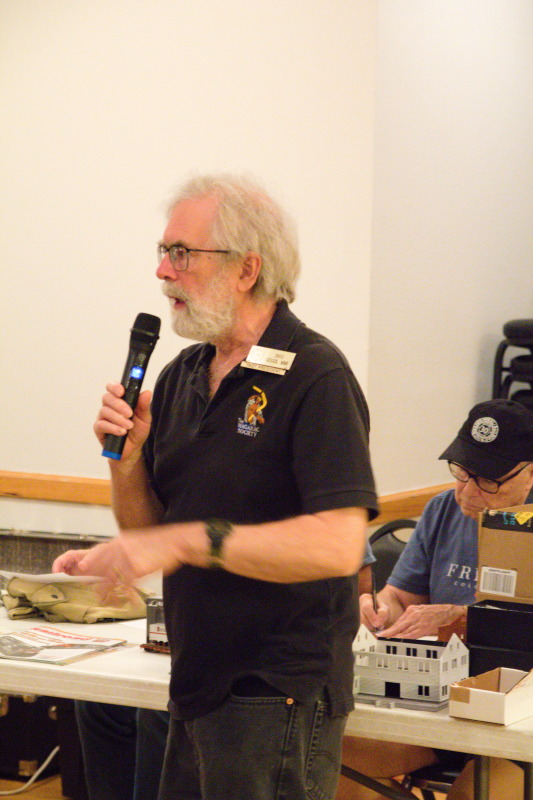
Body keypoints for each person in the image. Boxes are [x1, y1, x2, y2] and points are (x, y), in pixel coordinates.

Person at [53, 173, 378, 800]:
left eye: (182, 253)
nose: (163, 272)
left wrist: (191, 541)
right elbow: (151, 532)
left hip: (276, 691)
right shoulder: (184, 373)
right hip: (196, 678)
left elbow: (338, 546)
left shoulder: (316, 375)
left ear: (247, 269)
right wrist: (127, 462)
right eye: (163, 252)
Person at [337, 398, 533, 800]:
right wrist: (380, 610)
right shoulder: (443, 508)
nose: (468, 491)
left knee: (474, 793)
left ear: (529, 473)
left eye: (489, 480)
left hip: (520, 716)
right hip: (442, 705)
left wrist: (459, 616)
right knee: (329, 763)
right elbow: (402, 597)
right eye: (462, 472)